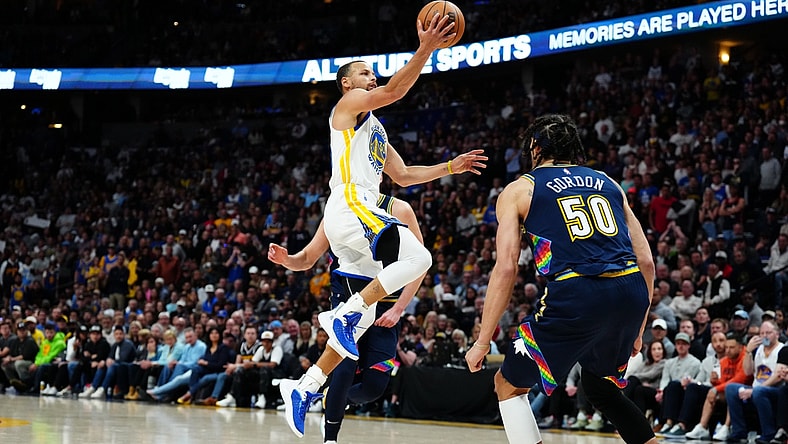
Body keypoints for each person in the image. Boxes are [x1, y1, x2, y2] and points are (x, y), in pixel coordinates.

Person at [277, 14, 485, 438]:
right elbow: (394, 91)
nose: (372, 78)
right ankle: (347, 314)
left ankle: (305, 387)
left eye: (372, 73)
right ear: (347, 84)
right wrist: (425, 48)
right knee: (419, 258)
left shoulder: (375, 129)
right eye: (364, 73)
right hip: (352, 206)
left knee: (356, 325)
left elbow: (404, 175)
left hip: (356, 220)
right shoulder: (347, 107)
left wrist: (451, 166)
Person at [465, 114, 658, 444]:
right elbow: (647, 262)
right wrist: (638, 329)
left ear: (535, 148)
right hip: (630, 289)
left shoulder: (520, 189)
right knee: (601, 387)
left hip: (578, 293)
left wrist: (483, 341)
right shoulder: (608, 182)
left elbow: (507, 267)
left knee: (508, 385)